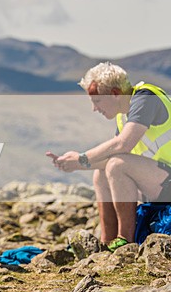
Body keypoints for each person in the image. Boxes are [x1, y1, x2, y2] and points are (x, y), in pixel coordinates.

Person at [47, 62, 171, 251]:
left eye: (97, 101)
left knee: (116, 165)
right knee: (102, 172)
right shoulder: (124, 117)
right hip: (159, 183)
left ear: (114, 93)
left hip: (166, 183)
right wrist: (73, 164)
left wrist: (81, 158)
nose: (94, 108)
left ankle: (125, 241)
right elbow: (112, 155)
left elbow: (123, 144)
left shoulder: (146, 98)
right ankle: (107, 241)